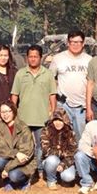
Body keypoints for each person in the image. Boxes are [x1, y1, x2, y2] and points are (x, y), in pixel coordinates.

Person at [11, 45, 57, 176]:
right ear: (27, 58)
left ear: (40, 58)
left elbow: (52, 95)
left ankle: (40, 169)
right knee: (24, 145)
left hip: (42, 117)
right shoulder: (20, 74)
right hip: (23, 117)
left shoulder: (48, 74)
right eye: (30, 56)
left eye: (35, 56)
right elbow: (14, 95)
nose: (33, 59)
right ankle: (25, 168)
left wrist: (53, 112)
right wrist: (13, 113)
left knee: (41, 145)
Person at [49, 30, 92, 140]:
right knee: (61, 137)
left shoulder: (89, 60)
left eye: (79, 42)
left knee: (81, 138)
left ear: (83, 43)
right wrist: (52, 105)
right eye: (73, 42)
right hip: (63, 105)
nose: (76, 45)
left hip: (82, 107)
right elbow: (50, 80)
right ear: (68, 43)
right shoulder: (58, 59)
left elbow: (92, 83)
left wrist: (89, 107)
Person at [0, 101, 35, 191]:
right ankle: (8, 181)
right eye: (3, 112)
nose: (5, 114)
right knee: (0, 161)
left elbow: (25, 154)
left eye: (8, 111)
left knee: (14, 175)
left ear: (14, 111)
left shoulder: (23, 128)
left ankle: (25, 181)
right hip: (11, 158)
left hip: (24, 163)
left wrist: (7, 169)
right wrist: (15, 153)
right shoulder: (0, 128)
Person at [41, 108, 78, 189]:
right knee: (52, 160)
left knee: (68, 177)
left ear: (65, 121)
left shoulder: (71, 133)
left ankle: (60, 176)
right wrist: (62, 152)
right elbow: (46, 151)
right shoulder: (46, 131)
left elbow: (72, 152)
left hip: (66, 161)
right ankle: (51, 180)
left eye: (60, 120)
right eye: (55, 120)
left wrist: (63, 164)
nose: (57, 123)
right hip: (50, 160)